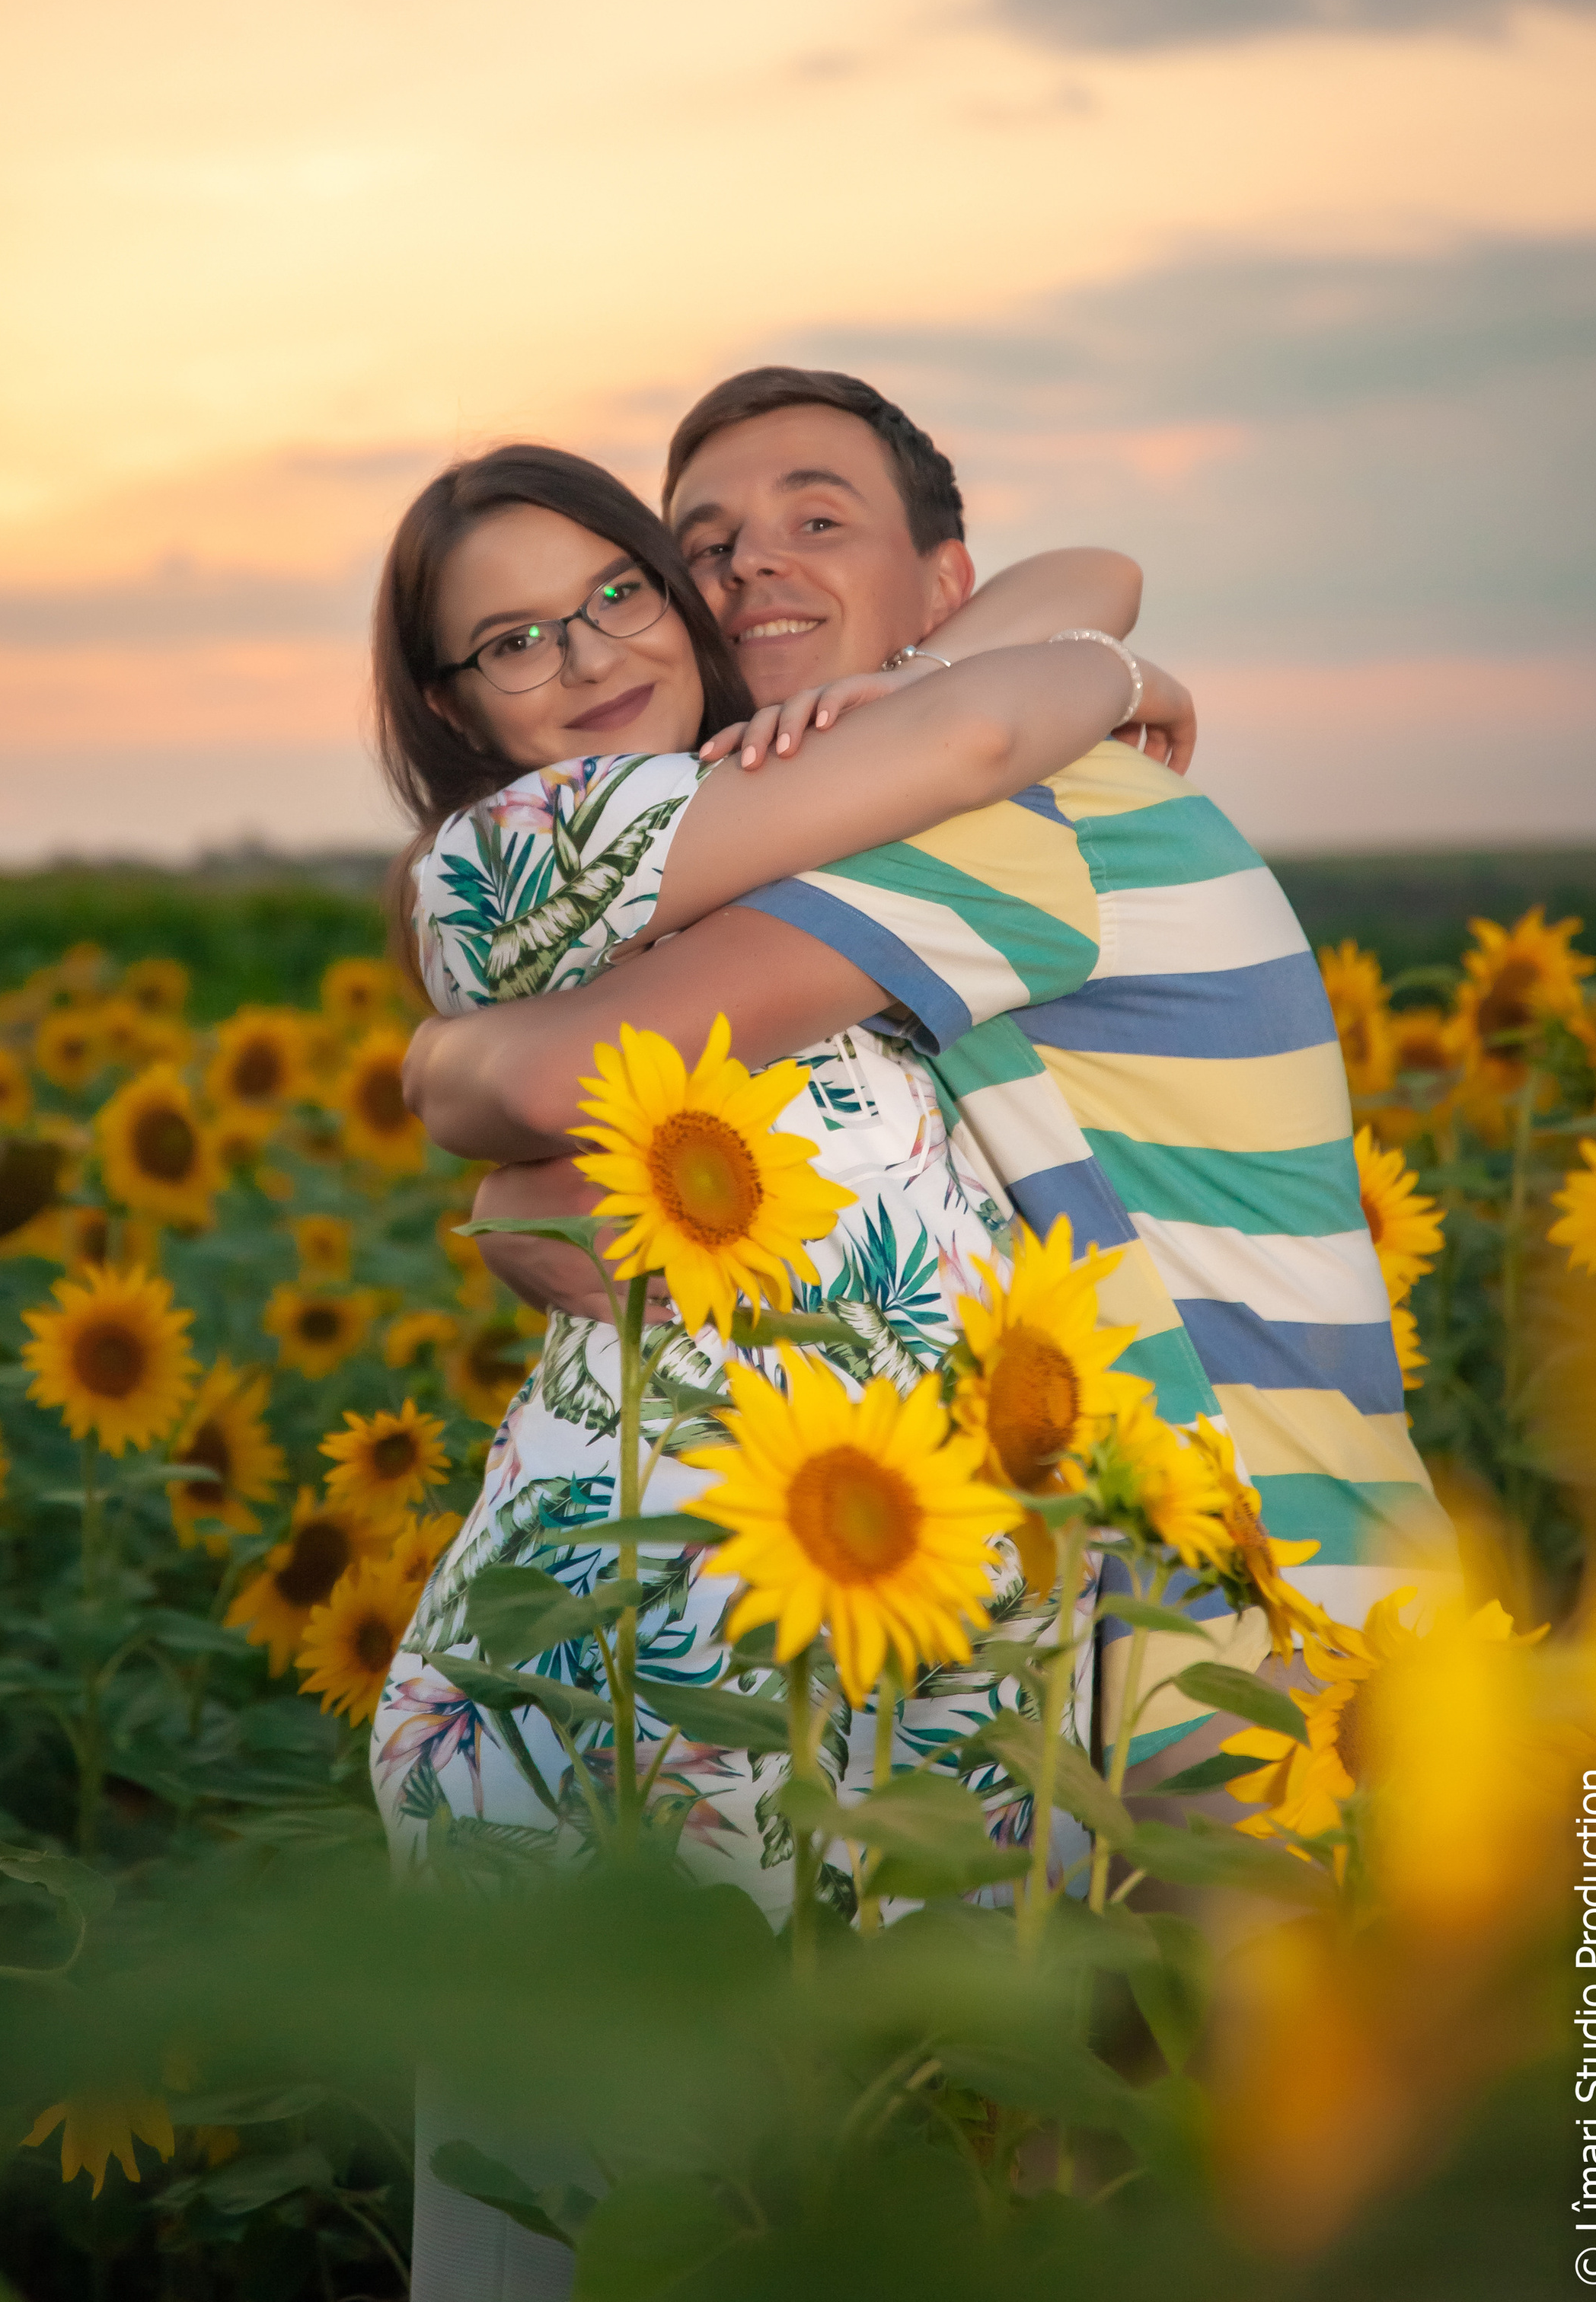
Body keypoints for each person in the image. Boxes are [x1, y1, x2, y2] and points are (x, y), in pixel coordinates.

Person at [406, 370, 1454, 1780]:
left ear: (948, 590)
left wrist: (455, 1104)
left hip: (1265, 1607)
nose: (752, 565)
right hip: (1153, 1594)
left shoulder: (995, 814)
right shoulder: (812, 828)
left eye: (818, 521)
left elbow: (562, 1071)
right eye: (702, 549)